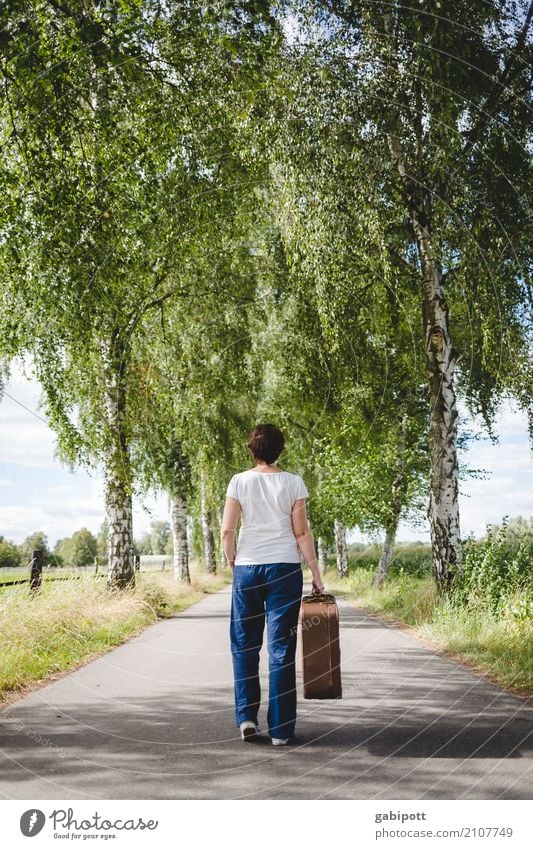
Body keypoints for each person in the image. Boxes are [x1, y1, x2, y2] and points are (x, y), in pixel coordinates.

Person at [221, 423, 325, 746]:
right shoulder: (293, 483)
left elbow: (227, 531)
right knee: (281, 648)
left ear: (252, 449)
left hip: (248, 569)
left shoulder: (239, 482)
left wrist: (232, 561)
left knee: (245, 646)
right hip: (284, 570)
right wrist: (316, 575)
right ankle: (280, 730)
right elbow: (302, 533)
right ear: (280, 449)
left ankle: (247, 718)